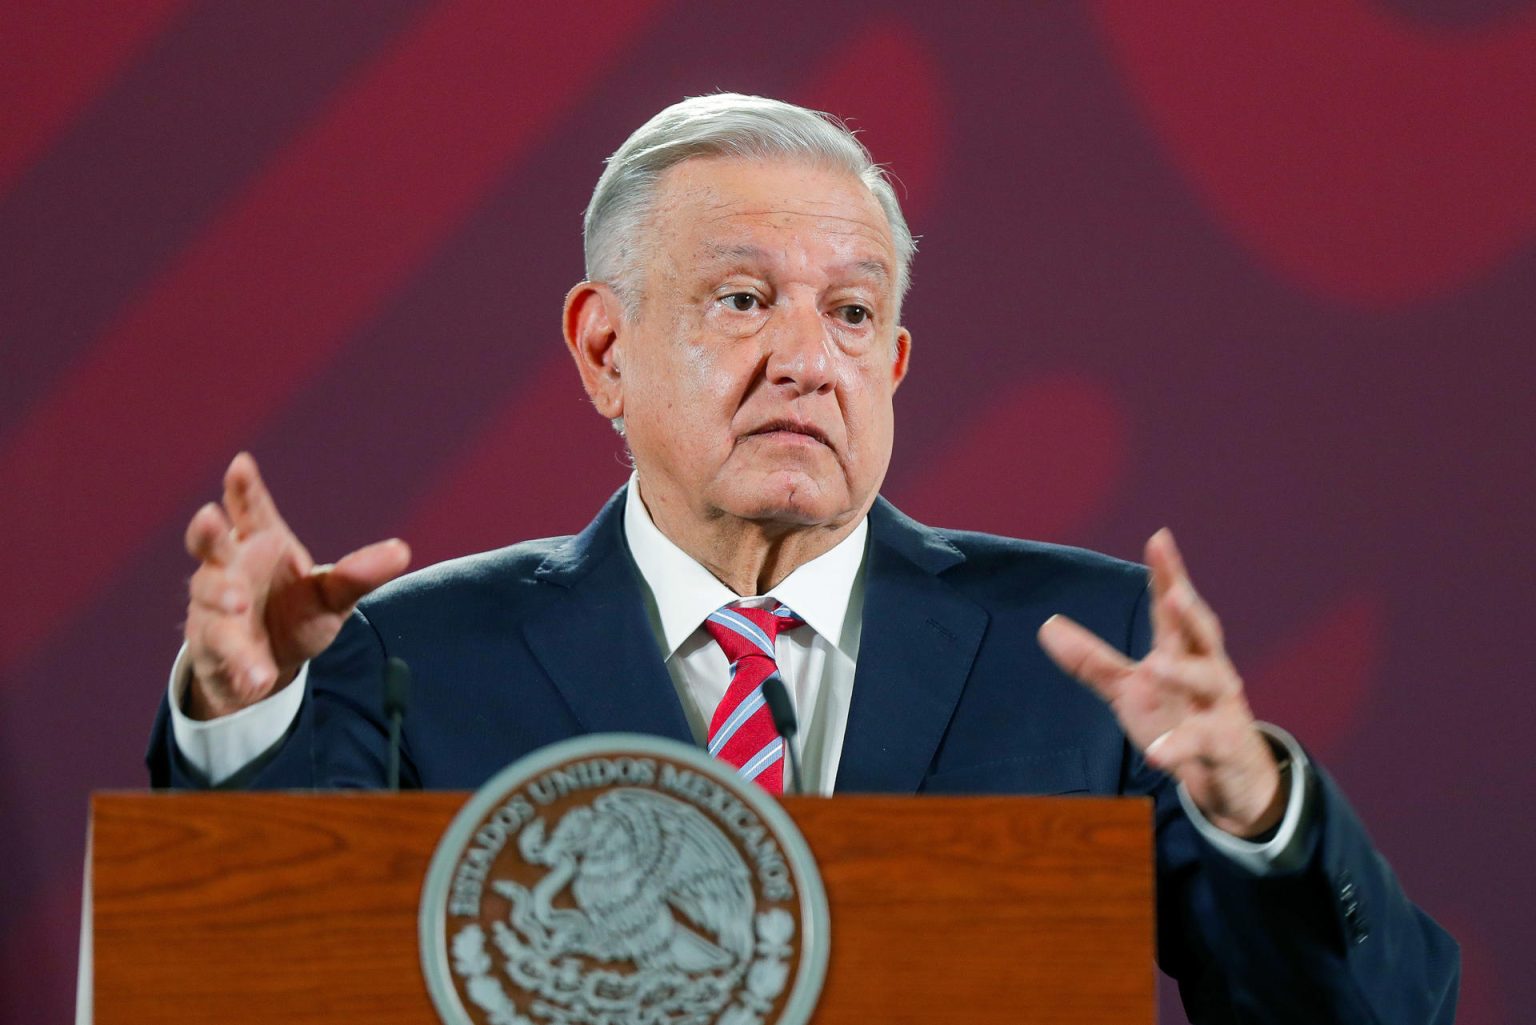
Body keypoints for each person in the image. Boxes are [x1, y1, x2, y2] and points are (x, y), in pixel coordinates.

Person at [149, 94, 1458, 1023]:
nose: (806, 358)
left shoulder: (1084, 648)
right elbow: (241, 995)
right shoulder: (417, 657)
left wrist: (1257, 813)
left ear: (892, 363)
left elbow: (1380, 1016)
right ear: (605, 349)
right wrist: (247, 721)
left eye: (850, 311)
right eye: (742, 298)